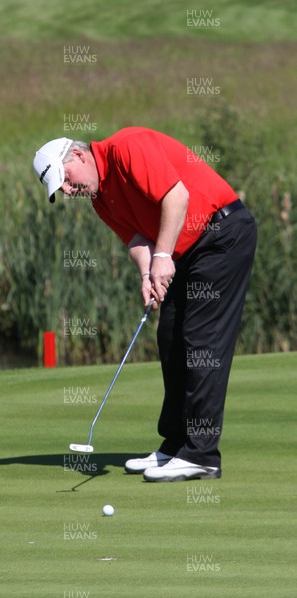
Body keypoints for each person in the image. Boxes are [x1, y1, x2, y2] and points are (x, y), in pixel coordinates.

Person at [33, 127, 257, 482]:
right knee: (170, 337)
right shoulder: (99, 196)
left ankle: (202, 455)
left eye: (66, 180)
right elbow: (136, 238)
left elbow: (176, 198)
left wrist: (164, 256)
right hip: (185, 249)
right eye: (61, 188)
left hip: (222, 234)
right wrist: (147, 274)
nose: (67, 190)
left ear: (78, 156)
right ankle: (175, 446)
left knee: (200, 340)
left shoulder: (127, 148)